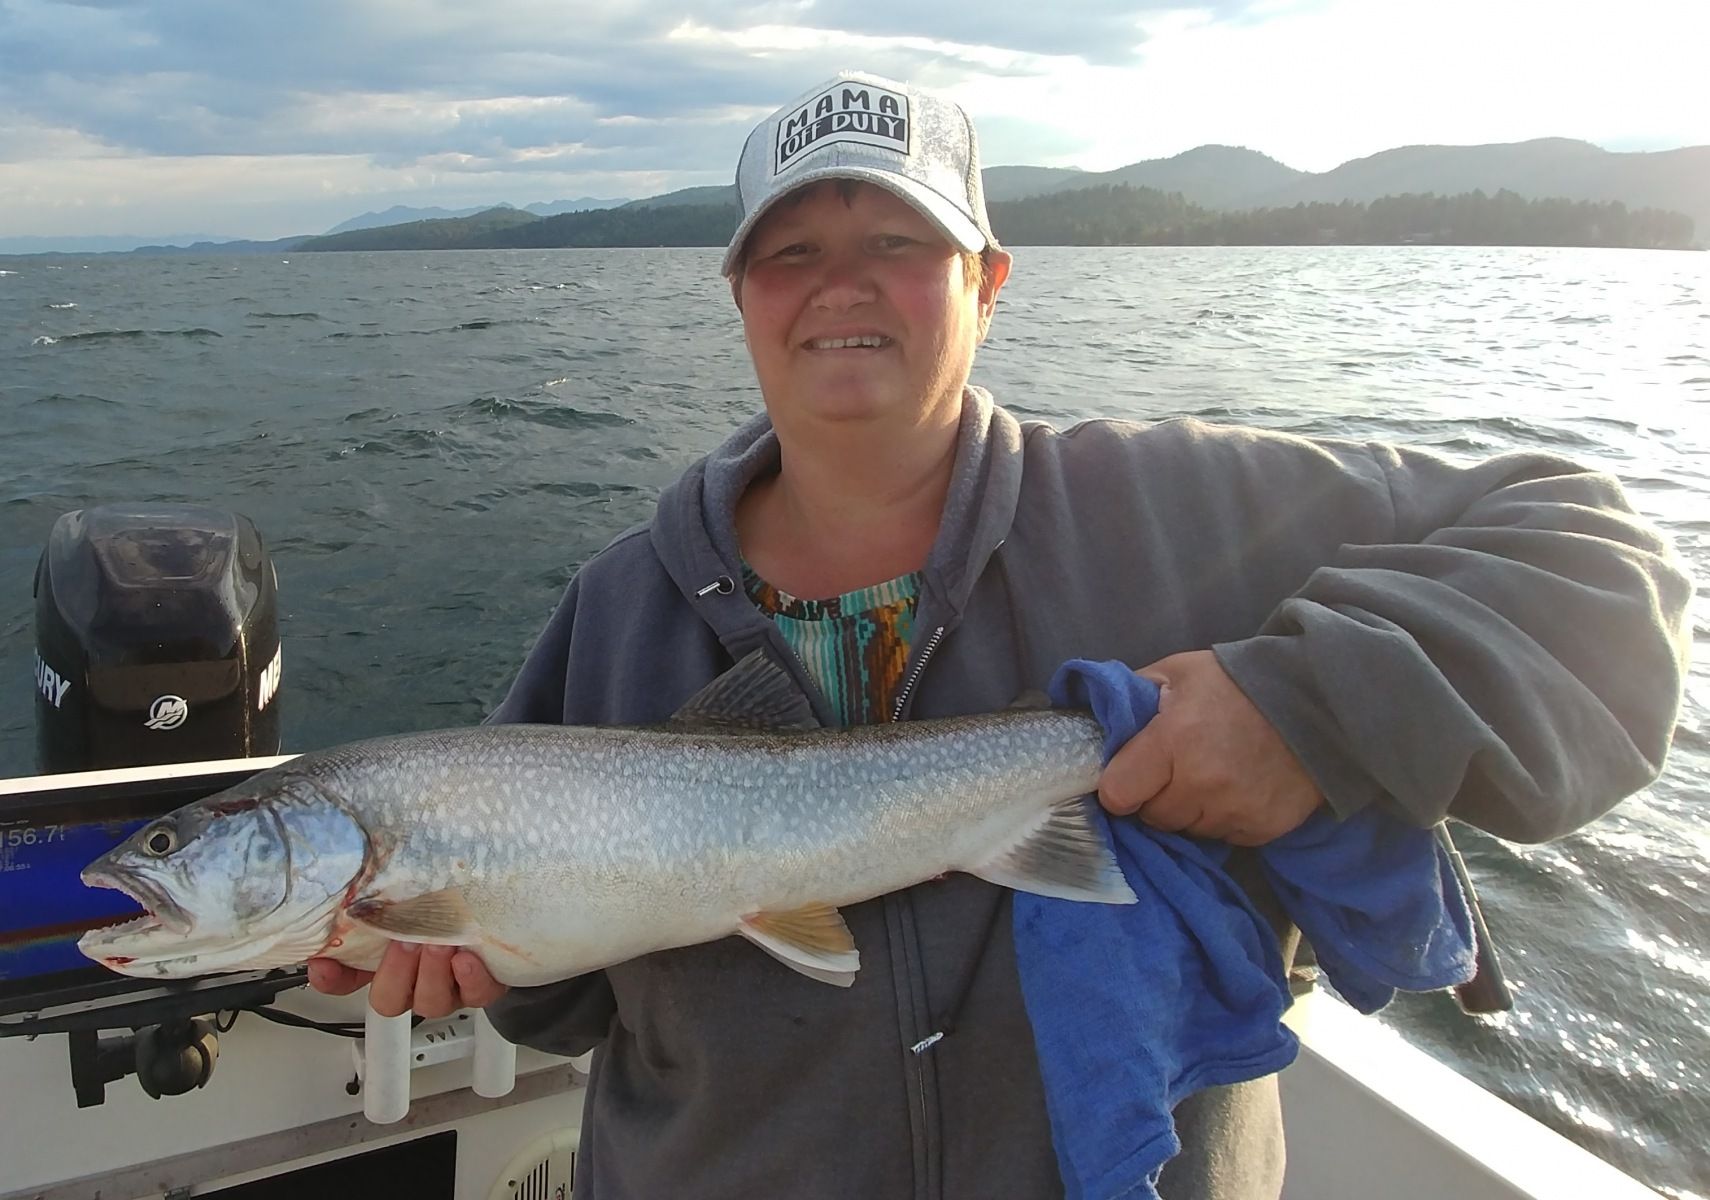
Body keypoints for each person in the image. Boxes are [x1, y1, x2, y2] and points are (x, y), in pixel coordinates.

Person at [308, 71, 1692, 1198]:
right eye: (790, 253)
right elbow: (575, 1012)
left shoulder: (1186, 504)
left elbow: (1594, 552)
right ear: (738, 295)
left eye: (895, 245)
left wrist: (1304, 706)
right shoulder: (619, 607)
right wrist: (497, 963)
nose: (837, 286)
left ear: (987, 277)